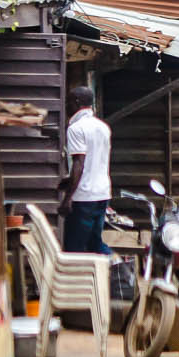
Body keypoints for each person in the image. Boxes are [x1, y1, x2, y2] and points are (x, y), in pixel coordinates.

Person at [58, 84, 112, 256]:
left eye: (68, 102)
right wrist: (69, 181)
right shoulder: (103, 127)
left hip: (83, 198)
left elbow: (79, 164)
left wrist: (68, 198)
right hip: (102, 194)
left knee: (73, 249)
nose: (66, 106)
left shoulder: (76, 128)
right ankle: (117, 267)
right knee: (95, 244)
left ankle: (117, 266)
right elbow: (94, 162)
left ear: (76, 102)